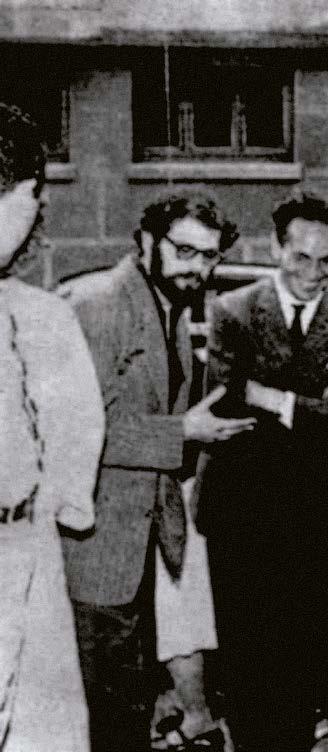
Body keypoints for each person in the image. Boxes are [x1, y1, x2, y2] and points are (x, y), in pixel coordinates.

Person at [60, 192, 256, 752]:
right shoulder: (99, 304)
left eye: (209, 256)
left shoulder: (168, 306)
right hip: (94, 554)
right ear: (146, 241)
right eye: (184, 251)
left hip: (136, 550)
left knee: (126, 714)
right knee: (100, 719)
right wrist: (182, 432)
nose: (197, 268)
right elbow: (72, 432)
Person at [194, 192, 328, 752]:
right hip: (240, 513)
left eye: (327, 261)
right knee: (243, 662)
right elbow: (228, 399)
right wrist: (317, 399)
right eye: (301, 258)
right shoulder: (233, 310)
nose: (314, 274)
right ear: (276, 248)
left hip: (315, 518)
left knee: (302, 660)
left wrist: (273, 397)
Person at [0, 103, 105, 752]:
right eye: (33, 196)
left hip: (27, 544)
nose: (37, 213)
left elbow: (73, 435)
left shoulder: (34, 313)